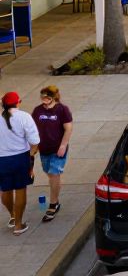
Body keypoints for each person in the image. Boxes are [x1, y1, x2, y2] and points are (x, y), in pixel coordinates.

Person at [30, 86, 72, 222]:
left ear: (53, 97)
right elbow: (32, 129)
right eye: (42, 97)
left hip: (58, 149)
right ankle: (56, 191)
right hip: (44, 149)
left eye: (47, 97)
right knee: (50, 173)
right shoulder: (37, 110)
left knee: (54, 174)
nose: (44, 100)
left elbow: (68, 128)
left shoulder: (62, 110)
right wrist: (33, 148)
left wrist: (63, 145)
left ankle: (53, 205)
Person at [0, 92, 40, 236]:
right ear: (18, 102)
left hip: (2, 159)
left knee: (5, 190)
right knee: (20, 189)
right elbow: (35, 142)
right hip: (20, 158)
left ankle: (12, 216)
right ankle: (18, 224)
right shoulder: (24, 117)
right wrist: (31, 156)